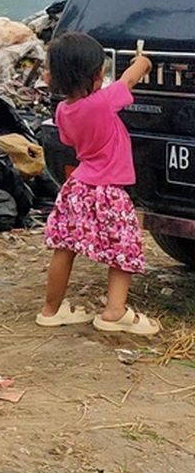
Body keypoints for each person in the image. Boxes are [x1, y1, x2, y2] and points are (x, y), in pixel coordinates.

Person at [36, 31, 159, 336]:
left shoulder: (63, 111)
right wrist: (142, 62)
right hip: (109, 190)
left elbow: (68, 140)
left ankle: (50, 310)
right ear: (97, 75)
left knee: (64, 247)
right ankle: (115, 312)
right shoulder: (102, 103)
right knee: (124, 248)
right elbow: (128, 80)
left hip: (77, 187)